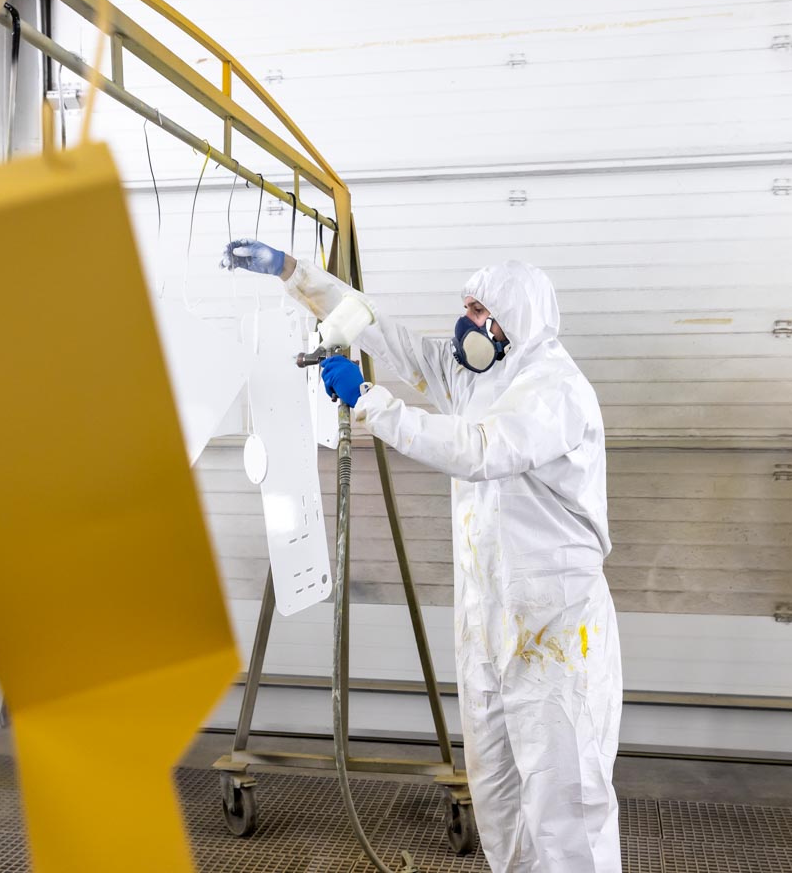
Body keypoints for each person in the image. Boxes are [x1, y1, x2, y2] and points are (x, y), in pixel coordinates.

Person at [222, 238, 622, 873]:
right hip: (490, 624)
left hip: (556, 627)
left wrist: (370, 402)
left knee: (565, 804)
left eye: (476, 310)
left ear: (514, 319)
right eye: (463, 309)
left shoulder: (556, 391)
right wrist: (293, 272)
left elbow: (480, 450)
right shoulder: (475, 376)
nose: (464, 325)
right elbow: (384, 331)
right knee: (499, 800)